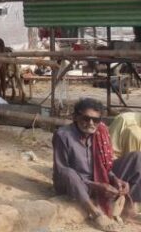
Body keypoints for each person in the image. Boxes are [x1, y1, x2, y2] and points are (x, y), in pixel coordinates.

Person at [53, 98, 141, 231]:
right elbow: (61, 170)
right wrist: (97, 185)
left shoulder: (99, 133)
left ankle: (128, 207)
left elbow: (103, 167)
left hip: (98, 179)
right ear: (75, 117)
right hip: (75, 183)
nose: (90, 123)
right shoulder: (63, 135)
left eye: (95, 120)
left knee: (137, 157)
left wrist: (115, 179)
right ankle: (95, 213)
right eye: (86, 118)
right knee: (69, 173)